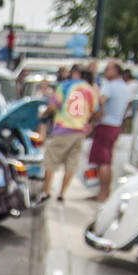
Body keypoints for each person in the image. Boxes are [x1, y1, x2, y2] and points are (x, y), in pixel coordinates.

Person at [40, 65, 98, 203]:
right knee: (71, 163)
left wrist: (44, 113)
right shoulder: (90, 89)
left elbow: (53, 106)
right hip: (80, 131)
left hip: (63, 128)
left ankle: (45, 192)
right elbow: (94, 110)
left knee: (51, 161)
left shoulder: (65, 86)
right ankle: (61, 193)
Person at [90, 60, 130, 203]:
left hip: (105, 125)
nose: (105, 72)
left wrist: (96, 116)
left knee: (103, 161)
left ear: (116, 71)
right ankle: (105, 192)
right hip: (116, 125)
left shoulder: (110, 86)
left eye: (107, 69)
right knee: (107, 159)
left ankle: (102, 194)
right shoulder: (125, 87)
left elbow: (100, 100)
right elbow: (128, 106)